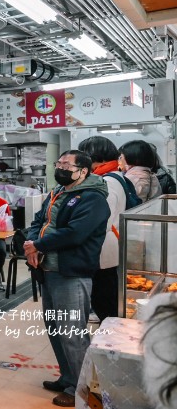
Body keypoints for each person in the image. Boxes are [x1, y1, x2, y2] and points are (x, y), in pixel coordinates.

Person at [24, 150, 109, 407]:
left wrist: (39, 244)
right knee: (55, 328)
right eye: (58, 163)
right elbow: (38, 220)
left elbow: (75, 234)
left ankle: (83, 388)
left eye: (65, 164)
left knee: (72, 333)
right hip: (49, 271)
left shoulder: (93, 198)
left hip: (71, 273)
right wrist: (31, 242)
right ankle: (69, 376)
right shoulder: (57, 193)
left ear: (83, 171)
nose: (59, 168)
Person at [78, 136, 126, 322]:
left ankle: (112, 344)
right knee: (107, 297)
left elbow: (101, 219)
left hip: (104, 248)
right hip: (109, 245)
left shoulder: (106, 181)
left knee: (105, 300)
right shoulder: (115, 175)